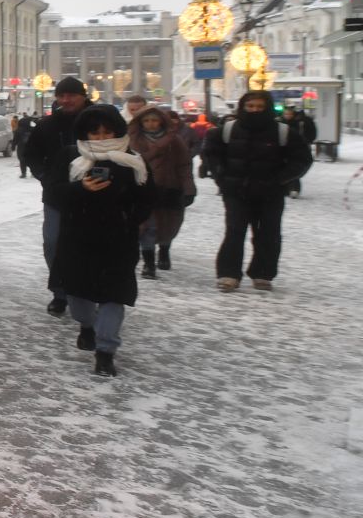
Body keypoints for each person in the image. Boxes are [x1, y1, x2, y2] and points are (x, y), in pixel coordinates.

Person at [44, 103, 155, 378]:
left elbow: (147, 199)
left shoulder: (134, 161)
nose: (102, 138)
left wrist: (128, 216)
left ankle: (106, 352)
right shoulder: (71, 157)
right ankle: (86, 326)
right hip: (78, 241)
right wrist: (80, 189)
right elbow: (52, 194)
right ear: (85, 134)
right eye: (95, 133)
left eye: (108, 132)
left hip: (118, 241)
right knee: (78, 298)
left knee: (113, 297)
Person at [202, 90, 312, 292]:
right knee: (234, 231)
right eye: (250, 106)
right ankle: (228, 274)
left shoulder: (283, 132)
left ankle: (263, 273)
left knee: (268, 233)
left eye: (259, 107)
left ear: (267, 108)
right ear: (243, 107)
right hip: (236, 191)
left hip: (270, 192)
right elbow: (211, 153)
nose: (254, 110)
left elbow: (302, 159)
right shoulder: (228, 130)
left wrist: (281, 179)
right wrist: (221, 177)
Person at [19, 77, 90, 315]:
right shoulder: (48, 125)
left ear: (83, 95)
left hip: (94, 195)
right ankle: (60, 292)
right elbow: (31, 154)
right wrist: (44, 176)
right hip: (56, 195)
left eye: (71, 95)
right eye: (61, 95)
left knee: (88, 245)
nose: (65, 100)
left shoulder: (97, 120)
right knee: (53, 243)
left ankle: (88, 291)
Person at [127, 105, 195, 276]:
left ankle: (164, 249)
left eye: (154, 120)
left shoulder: (174, 141)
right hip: (143, 189)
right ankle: (149, 263)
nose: (151, 124)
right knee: (146, 226)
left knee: (168, 225)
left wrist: (188, 188)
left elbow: (184, 165)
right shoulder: (133, 140)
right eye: (146, 120)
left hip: (169, 188)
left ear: (162, 121)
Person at [13, 113, 37, 178]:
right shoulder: (32, 129)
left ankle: (23, 173)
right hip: (31, 148)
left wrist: (13, 146)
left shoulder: (18, 130)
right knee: (32, 161)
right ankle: (33, 173)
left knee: (22, 161)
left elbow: (15, 139)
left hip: (21, 148)